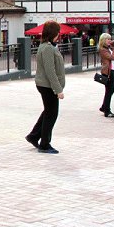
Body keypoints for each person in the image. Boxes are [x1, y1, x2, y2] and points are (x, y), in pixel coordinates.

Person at [25, 20, 65, 154]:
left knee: (48, 112)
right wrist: (58, 90)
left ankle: (33, 136)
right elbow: (50, 71)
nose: (59, 34)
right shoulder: (47, 48)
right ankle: (45, 144)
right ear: (53, 33)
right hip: (47, 86)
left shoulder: (47, 46)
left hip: (45, 85)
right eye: (58, 32)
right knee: (52, 114)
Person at [98, 32, 114, 118]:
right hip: (109, 73)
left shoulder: (106, 47)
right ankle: (107, 111)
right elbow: (112, 57)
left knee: (110, 91)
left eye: (110, 39)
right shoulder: (103, 49)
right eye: (108, 39)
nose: (109, 40)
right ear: (103, 40)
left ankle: (104, 107)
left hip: (111, 71)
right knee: (109, 91)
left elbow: (112, 43)